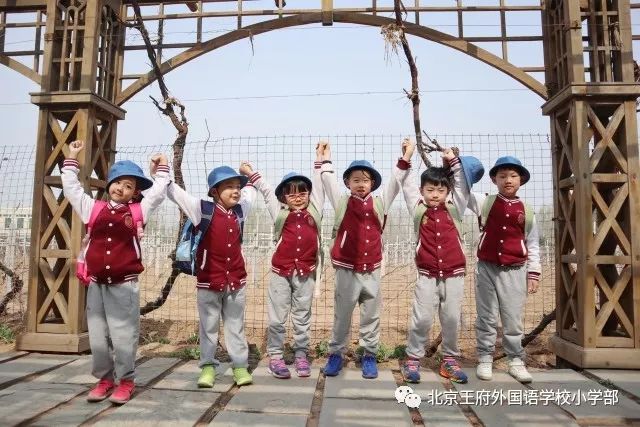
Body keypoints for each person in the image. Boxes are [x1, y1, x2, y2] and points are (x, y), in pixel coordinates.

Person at [62, 139, 170, 404]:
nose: (121, 188)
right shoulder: (93, 208)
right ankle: (104, 379)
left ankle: (126, 380)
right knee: (98, 334)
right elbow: (72, 190)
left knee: (123, 334)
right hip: (97, 284)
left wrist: (162, 169)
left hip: (124, 285)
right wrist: (71, 159)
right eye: (118, 182)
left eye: (129, 186)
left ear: (135, 193)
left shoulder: (138, 211)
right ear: (109, 184)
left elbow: (157, 193)